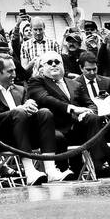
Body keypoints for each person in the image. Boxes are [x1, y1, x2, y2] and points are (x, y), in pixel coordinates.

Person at [0, 54, 53, 185]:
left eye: (14, 70)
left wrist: (31, 107)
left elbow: (26, 112)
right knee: (18, 112)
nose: (14, 74)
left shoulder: (21, 89)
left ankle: (51, 169)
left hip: (25, 133)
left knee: (45, 113)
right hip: (0, 136)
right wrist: (18, 110)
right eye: (10, 71)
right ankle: (29, 170)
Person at [23, 50, 91, 180]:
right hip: (51, 127)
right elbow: (45, 99)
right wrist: (71, 108)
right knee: (58, 137)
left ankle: (103, 166)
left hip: (75, 125)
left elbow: (89, 103)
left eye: (57, 62)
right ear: (41, 68)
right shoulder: (37, 81)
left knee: (93, 120)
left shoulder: (75, 83)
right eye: (49, 62)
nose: (54, 64)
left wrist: (88, 113)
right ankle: (61, 171)